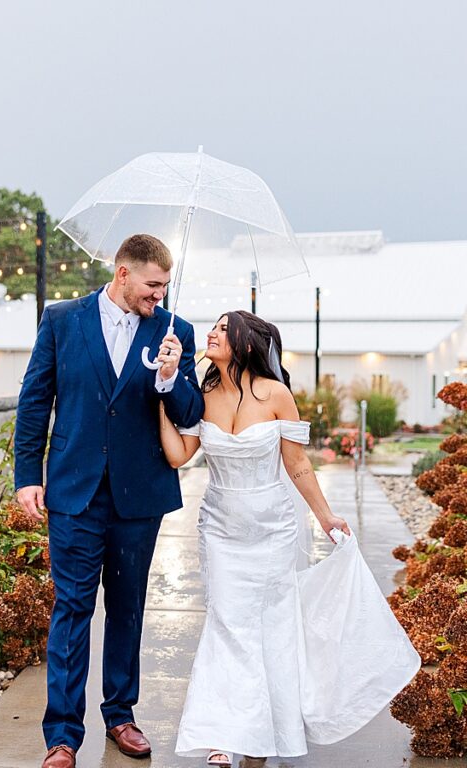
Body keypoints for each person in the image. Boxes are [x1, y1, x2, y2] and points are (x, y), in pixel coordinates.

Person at [14, 234, 204, 768]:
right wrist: (28, 475)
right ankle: (62, 736)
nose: (159, 296)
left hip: (138, 496)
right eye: (152, 285)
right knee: (71, 608)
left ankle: (121, 713)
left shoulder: (176, 332)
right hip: (74, 491)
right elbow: (35, 402)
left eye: (165, 286)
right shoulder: (61, 320)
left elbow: (190, 415)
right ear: (123, 273)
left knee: (127, 608)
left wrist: (169, 377)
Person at [160, 311, 351, 767]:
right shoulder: (202, 395)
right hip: (221, 531)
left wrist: (325, 517)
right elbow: (178, 456)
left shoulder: (278, 395)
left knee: (270, 632)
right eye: (215, 327)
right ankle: (224, 734)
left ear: (246, 342)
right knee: (228, 626)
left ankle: (267, 730)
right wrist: (160, 398)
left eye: (224, 329)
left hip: (274, 531)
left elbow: (298, 465)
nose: (212, 332)